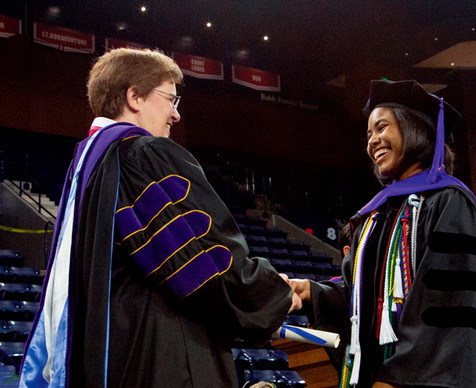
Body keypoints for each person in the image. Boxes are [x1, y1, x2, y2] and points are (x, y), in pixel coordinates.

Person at [19, 48, 299, 387]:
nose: (175, 115)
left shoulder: (89, 169)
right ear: (134, 97)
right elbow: (203, 255)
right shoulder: (143, 156)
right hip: (163, 357)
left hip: (117, 358)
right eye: (170, 99)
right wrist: (272, 292)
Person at [288, 79, 476, 387]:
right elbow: (363, 299)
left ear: (415, 130)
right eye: (368, 134)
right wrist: (313, 293)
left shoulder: (449, 202)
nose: (372, 141)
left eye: (381, 128)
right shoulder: (376, 215)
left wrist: (395, 380)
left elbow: (443, 311)